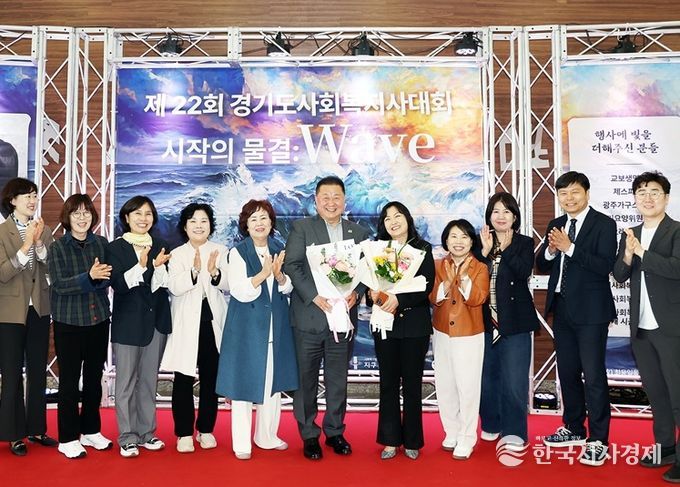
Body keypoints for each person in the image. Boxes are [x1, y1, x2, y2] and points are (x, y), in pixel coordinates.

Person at [283, 175, 370, 460]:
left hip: (342, 319)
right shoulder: (302, 228)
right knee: (305, 381)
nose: (331, 203)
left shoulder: (358, 233)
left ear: (345, 201)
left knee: (337, 379)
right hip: (309, 317)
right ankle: (309, 435)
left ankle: (335, 432)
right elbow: (292, 265)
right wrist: (313, 296)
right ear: (316, 201)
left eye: (337, 197)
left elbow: (365, 270)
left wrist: (357, 292)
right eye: (326, 197)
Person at [536, 170, 616, 467]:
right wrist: (550, 250)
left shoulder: (604, 224)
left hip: (592, 312)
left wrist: (569, 247)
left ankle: (598, 439)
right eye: (563, 193)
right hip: (562, 309)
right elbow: (542, 265)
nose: (569, 198)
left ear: (587, 193)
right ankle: (573, 427)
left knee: (593, 375)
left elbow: (604, 265)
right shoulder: (556, 224)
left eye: (574, 192)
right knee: (567, 372)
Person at [216, 199, 298, 460]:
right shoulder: (238, 253)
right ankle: (242, 442)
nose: (259, 223)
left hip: (276, 325)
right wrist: (263, 274)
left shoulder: (279, 248)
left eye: (264, 218)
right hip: (246, 328)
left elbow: (289, 288)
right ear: (246, 225)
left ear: (271, 222)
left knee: (272, 383)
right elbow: (239, 291)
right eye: (254, 219)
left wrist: (280, 277)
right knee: (243, 384)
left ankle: (267, 436)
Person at [612, 171, 680, 482]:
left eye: (654, 192)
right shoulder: (632, 233)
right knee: (656, 392)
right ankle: (665, 447)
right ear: (635, 199)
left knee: (677, 393)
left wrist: (642, 252)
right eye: (641, 192)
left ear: (666, 198)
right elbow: (619, 275)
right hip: (641, 328)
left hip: (671, 327)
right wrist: (628, 254)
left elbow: (676, 268)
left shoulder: (676, 231)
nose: (647, 197)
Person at [48, 194, 113, 459]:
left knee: (94, 380)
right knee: (69, 382)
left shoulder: (101, 243)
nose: (82, 217)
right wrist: (89, 277)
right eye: (76, 213)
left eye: (86, 212)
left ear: (92, 216)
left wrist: (96, 278)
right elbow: (59, 285)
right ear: (68, 217)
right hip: (69, 322)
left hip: (98, 319)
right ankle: (67, 438)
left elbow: (107, 278)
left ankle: (90, 430)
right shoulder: (57, 247)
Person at [369, 201, 434, 460]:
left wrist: (399, 300)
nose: (393, 221)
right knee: (388, 384)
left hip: (415, 326)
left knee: (412, 385)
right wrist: (374, 295)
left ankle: (412, 441)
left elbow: (426, 285)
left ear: (407, 219)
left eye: (397, 216)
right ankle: (389, 440)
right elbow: (369, 286)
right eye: (387, 218)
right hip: (385, 325)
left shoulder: (422, 249)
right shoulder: (377, 250)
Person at [107, 195, 171, 458]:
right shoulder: (114, 248)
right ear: (126, 217)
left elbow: (162, 286)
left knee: (147, 381)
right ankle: (127, 436)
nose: (143, 219)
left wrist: (157, 268)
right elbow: (119, 285)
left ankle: (147, 433)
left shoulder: (161, 245)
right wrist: (142, 266)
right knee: (125, 383)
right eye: (137, 214)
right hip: (128, 324)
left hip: (156, 323)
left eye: (148, 214)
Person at [161, 203, 228, 453]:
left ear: (210, 225)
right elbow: (174, 287)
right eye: (193, 221)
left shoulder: (221, 250)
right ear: (185, 226)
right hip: (186, 324)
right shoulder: (177, 254)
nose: (199, 226)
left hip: (212, 323)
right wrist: (194, 271)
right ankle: (184, 433)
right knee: (183, 379)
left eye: (203, 221)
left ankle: (206, 429)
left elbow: (229, 283)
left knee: (211, 379)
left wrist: (215, 273)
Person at [478, 192, 540, 450]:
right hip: (483, 323)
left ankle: (514, 430)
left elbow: (523, 271)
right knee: (486, 379)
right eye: (495, 211)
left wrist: (503, 249)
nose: (500, 216)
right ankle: (491, 423)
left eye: (506, 211)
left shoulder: (524, 242)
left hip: (516, 322)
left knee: (514, 381)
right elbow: (471, 278)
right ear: (489, 216)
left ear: (515, 217)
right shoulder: (480, 242)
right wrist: (484, 253)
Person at [0, 177, 56, 456]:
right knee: (11, 374)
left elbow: (51, 267)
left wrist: (39, 243)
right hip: (9, 312)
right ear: (12, 201)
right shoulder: (2, 232)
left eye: (34, 195)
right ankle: (13, 434)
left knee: (37, 372)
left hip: (39, 309)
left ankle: (36, 428)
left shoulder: (44, 229)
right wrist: (26, 246)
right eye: (26, 196)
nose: (33, 200)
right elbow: (3, 273)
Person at [429, 219, 489, 460]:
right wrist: (444, 286)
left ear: (472, 242)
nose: (458, 242)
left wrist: (464, 281)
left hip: (469, 334)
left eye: (464, 237)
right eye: (453, 236)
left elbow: (479, 298)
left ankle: (467, 436)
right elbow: (432, 297)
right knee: (445, 385)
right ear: (446, 241)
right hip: (442, 332)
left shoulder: (480, 268)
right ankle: (451, 431)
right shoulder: (438, 265)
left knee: (468, 387)